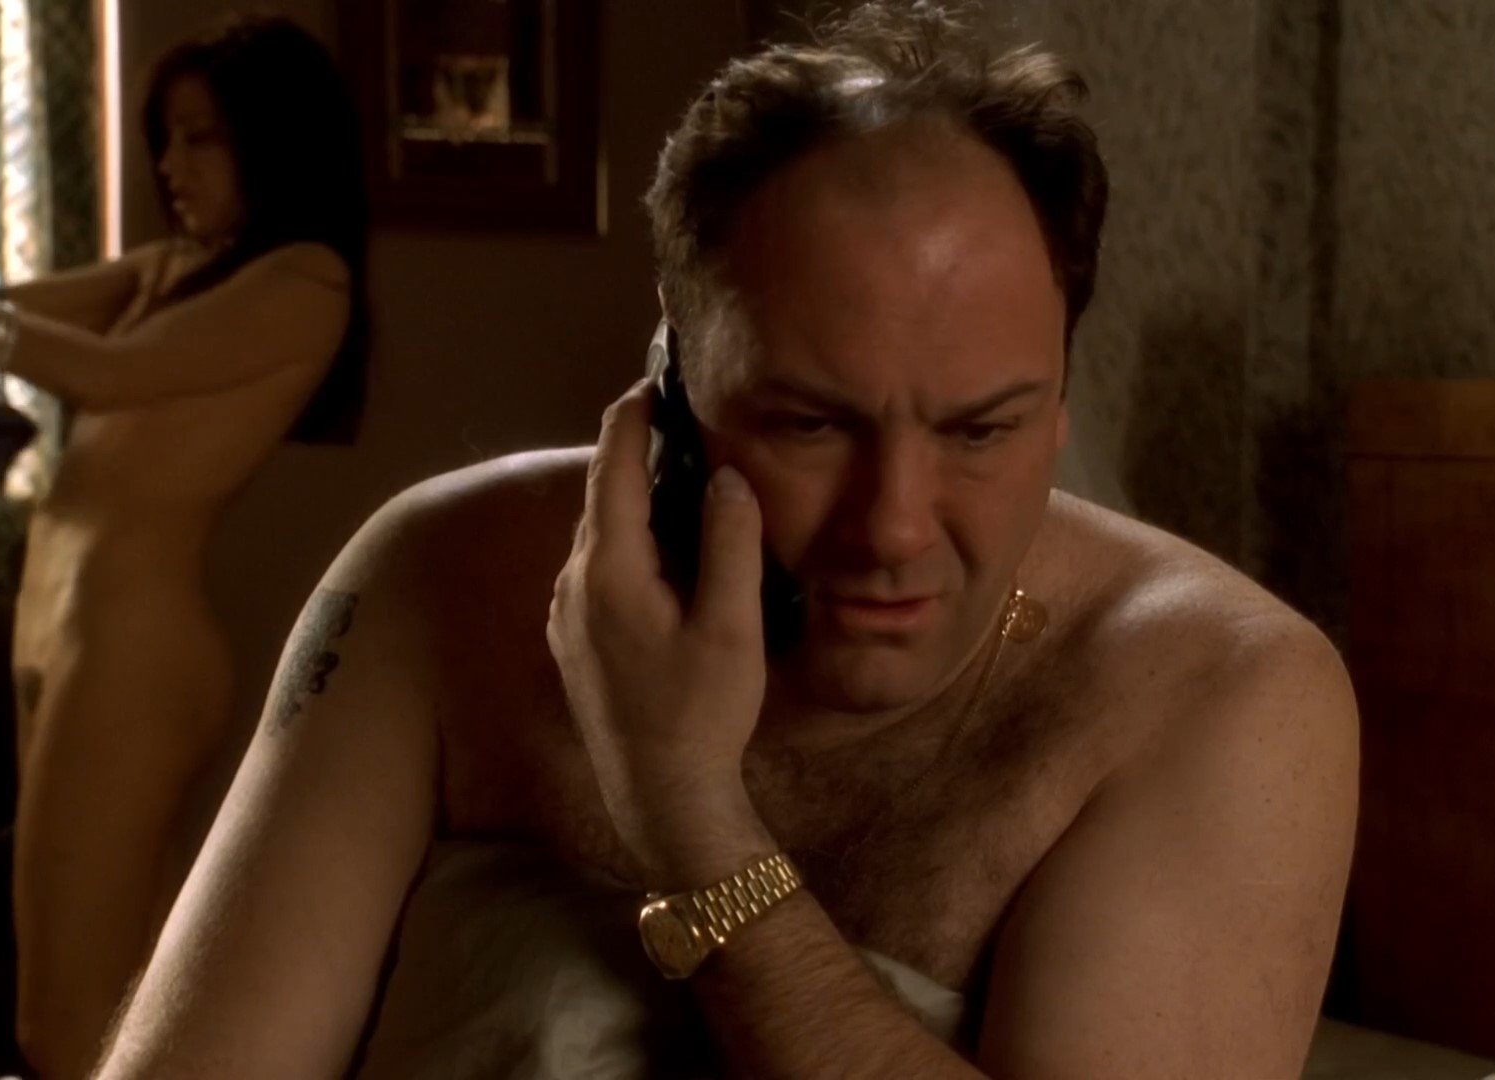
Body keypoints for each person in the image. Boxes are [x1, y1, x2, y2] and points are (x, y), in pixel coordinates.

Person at [94, 5, 1358, 1078]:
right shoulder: (433, 577)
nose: (894, 527)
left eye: (982, 431)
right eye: (812, 425)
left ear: (1059, 400)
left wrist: (686, 811)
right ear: (671, 391)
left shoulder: (1220, 692)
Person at [0, 15, 369, 1079]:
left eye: (202, 138)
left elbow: (102, 373)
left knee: (63, 1027)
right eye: (167, 139)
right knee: (104, 1004)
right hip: (64, 637)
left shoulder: (308, 282)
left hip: (132, 653)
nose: (171, 166)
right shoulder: (176, 268)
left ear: (273, 138)